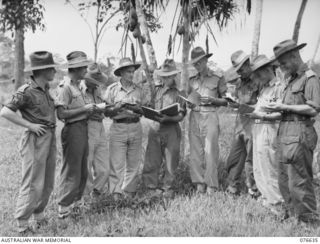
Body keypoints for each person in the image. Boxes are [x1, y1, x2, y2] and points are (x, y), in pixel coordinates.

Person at [263, 39, 320, 224]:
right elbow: (288, 107)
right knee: (284, 179)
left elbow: (313, 109)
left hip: (300, 132)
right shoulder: (291, 80)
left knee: (300, 181)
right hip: (285, 132)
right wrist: (277, 108)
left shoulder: (309, 78)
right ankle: (292, 217)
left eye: (284, 62)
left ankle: (308, 222)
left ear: (295, 56)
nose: (281, 67)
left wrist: (284, 106)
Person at [0, 51, 57, 234]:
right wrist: (30, 125)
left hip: (49, 136)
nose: (55, 71)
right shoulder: (26, 90)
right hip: (35, 139)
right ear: (44, 70)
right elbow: (6, 112)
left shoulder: (46, 90)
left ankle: (39, 215)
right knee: (33, 180)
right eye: (52, 68)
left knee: (47, 180)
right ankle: (22, 223)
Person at [55, 51, 95, 219]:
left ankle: (76, 202)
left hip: (82, 128)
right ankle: (63, 207)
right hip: (72, 130)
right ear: (76, 68)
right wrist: (84, 109)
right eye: (84, 67)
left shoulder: (79, 85)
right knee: (71, 169)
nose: (86, 69)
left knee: (82, 168)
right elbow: (62, 114)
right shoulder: (65, 88)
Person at [142, 59, 186, 199]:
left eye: (169, 76)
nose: (166, 79)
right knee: (152, 159)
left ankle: (167, 188)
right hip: (155, 127)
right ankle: (150, 187)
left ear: (174, 76)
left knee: (171, 160)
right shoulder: (155, 90)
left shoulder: (180, 93)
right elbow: (148, 105)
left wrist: (169, 119)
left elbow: (181, 115)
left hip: (171, 128)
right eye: (164, 76)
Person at [104, 58, 148, 200]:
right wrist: (117, 107)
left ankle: (129, 193)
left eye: (132, 71)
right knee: (116, 163)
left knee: (134, 163)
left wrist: (137, 108)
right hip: (118, 127)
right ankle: (116, 195)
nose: (131, 74)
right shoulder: (112, 90)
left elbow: (145, 110)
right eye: (128, 72)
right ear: (121, 73)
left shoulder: (139, 90)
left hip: (135, 127)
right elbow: (106, 111)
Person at [246, 54, 284, 214]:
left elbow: (282, 113)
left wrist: (261, 115)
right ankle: (266, 198)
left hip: (270, 128)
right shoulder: (265, 88)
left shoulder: (279, 87)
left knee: (270, 166)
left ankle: (277, 203)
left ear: (269, 69)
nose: (258, 77)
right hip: (258, 127)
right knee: (259, 165)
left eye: (260, 73)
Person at [188, 47, 228, 194]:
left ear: (205, 60)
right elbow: (189, 98)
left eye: (199, 62)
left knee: (210, 151)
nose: (196, 65)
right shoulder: (191, 80)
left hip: (210, 114)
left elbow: (226, 101)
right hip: (195, 115)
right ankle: (199, 183)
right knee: (195, 152)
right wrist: (189, 103)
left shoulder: (217, 78)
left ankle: (211, 184)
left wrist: (213, 100)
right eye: (194, 63)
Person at [225, 50, 259, 197]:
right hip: (240, 124)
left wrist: (247, 107)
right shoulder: (239, 83)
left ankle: (255, 191)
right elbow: (239, 100)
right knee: (234, 158)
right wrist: (234, 103)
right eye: (237, 71)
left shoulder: (258, 80)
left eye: (242, 69)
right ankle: (232, 188)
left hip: (254, 124)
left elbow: (264, 105)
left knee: (251, 160)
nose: (240, 73)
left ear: (248, 64)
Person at [80, 63, 110, 198]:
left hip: (100, 126)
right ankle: (85, 197)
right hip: (86, 127)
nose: (96, 84)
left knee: (104, 167)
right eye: (93, 81)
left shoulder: (97, 90)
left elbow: (104, 105)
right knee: (86, 165)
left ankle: (97, 192)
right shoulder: (78, 90)